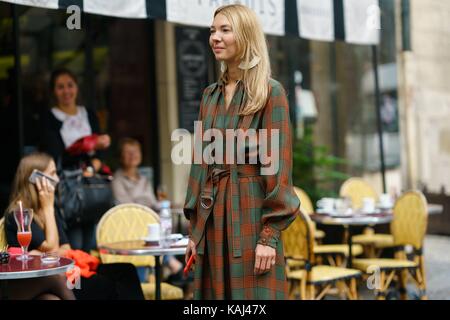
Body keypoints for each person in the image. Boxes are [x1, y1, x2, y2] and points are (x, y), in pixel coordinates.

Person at [183, 4, 300, 299]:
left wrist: (269, 237)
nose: (215, 38)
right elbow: (200, 164)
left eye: (225, 30)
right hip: (212, 219)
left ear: (245, 36)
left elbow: (277, 168)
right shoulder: (210, 96)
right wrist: (195, 232)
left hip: (250, 218)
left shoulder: (270, 93)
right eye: (212, 31)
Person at [4, 153, 145, 300]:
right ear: (36, 179)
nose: (57, 179)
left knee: (126, 270)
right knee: (108, 285)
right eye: (52, 174)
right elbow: (52, 249)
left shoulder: (49, 208)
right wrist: (48, 209)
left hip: (67, 272)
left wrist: (44, 253)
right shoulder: (19, 214)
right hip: (49, 279)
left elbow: (66, 248)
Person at [40, 68, 111, 252]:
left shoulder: (87, 113)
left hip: (91, 183)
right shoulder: (49, 117)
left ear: (77, 88)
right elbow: (55, 154)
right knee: (76, 244)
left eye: (70, 85)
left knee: (94, 243)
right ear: (53, 91)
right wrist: (87, 146)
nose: (66, 91)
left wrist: (95, 164)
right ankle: (77, 281)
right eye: (60, 87)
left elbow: (100, 151)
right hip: (69, 186)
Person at [112, 138, 187, 287]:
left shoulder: (144, 179)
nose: (133, 155)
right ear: (121, 156)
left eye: (136, 151)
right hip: (131, 228)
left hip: (150, 226)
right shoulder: (117, 180)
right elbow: (127, 208)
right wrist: (150, 209)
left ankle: (170, 267)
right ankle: (172, 265)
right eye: (128, 152)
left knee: (167, 230)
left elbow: (152, 203)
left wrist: (168, 204)